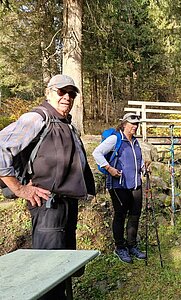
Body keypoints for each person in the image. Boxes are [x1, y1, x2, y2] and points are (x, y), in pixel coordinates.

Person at [0, 74, 96, 299]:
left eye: (71, 93)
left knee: (64, 267)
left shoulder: (65, 123)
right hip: (47, 206)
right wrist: (20, 189)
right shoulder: (37, 118)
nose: (67, 97)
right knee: (48, 271)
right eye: (61, 92)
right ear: (48, 93)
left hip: (66, 204)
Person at [92, 112, 147, 263]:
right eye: (132, 124)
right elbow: (97, 153)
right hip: (119, 185)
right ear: (124, 124)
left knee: (135, 215)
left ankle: (132, 245)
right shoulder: (115, 139)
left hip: (135, 184)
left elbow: (138, 160)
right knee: (120, 215)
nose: (135, 127)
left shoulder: (135, 141)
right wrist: (109, 168)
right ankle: (120, 247)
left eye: (137, 124)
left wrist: (143, 168)